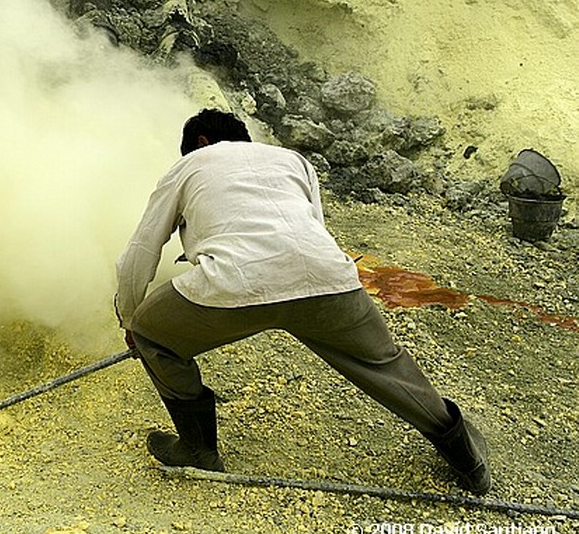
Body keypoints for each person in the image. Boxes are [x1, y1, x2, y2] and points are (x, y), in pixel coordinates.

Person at [114, 108, 491, 495]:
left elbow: (139, 253)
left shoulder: (190, 165)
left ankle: (198, 449)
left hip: (234, 284)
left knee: (151, 333)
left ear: (200, 143)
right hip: (328, 278)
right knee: (385, 365)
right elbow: (314, 229)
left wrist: (129, 320)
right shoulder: (293, 160)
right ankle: (466, 457)